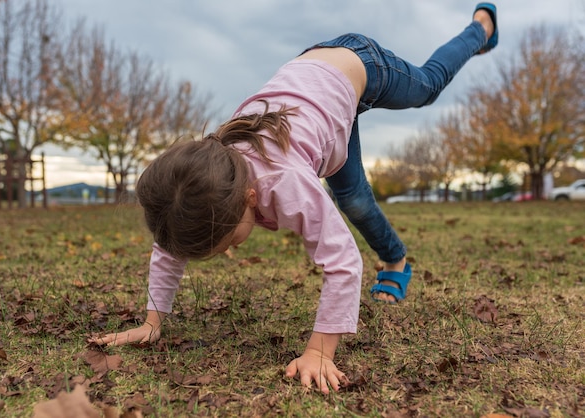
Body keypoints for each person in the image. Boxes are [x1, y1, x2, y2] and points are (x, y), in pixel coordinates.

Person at [91, 3, 498, 394]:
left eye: (229, 241)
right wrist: (152, 321)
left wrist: (320, 351)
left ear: (251, 197)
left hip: (360, 65)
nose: (229, 250)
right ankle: (397, 261)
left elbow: (342, 262)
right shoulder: (202, 181)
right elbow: (170, 244)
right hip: (320, 97)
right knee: (352, 198)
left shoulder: (286, 182)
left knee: (426, 87)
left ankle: (481, 28)